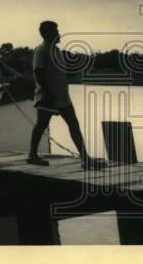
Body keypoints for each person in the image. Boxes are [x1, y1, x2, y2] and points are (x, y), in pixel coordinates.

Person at [27, 20, 104, 169]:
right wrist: (48, 93)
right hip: (48, 97)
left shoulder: (56, 51)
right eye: (55, 31)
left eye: (57, 30)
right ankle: (32, 155)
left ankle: (85, 159)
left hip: (62, 97)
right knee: (41, 125)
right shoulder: (41, 51)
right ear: (46, 33)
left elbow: (61, 73)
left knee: (73, 124)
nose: (58, 33)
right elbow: (38, 73)